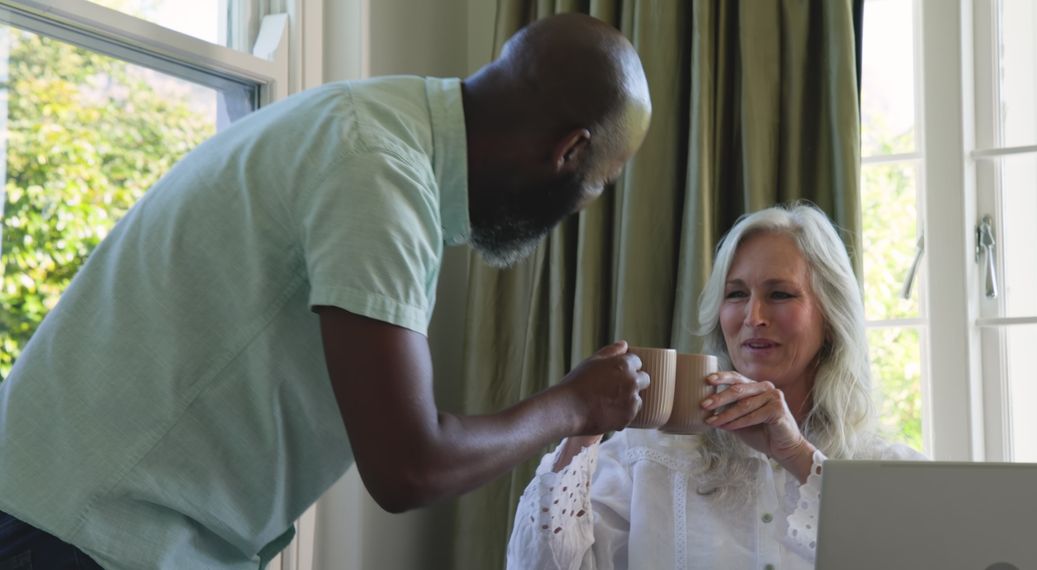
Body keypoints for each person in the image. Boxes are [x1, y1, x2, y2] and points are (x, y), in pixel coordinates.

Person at [0, 13, 653, 569]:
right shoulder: (379, 174)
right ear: (570, 151)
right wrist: (573, 405)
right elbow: (410, 467)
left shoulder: (371, 126)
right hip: (75, 538)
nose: (585, 205)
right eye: (601, 183)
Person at [506, 202, 926, 569]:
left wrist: (798, 457)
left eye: (779, 294)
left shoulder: (888, 470)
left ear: (832, 318)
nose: (753, 316)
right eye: (736, 294)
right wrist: (583, 429)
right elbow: (537, 566)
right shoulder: (646, 456)